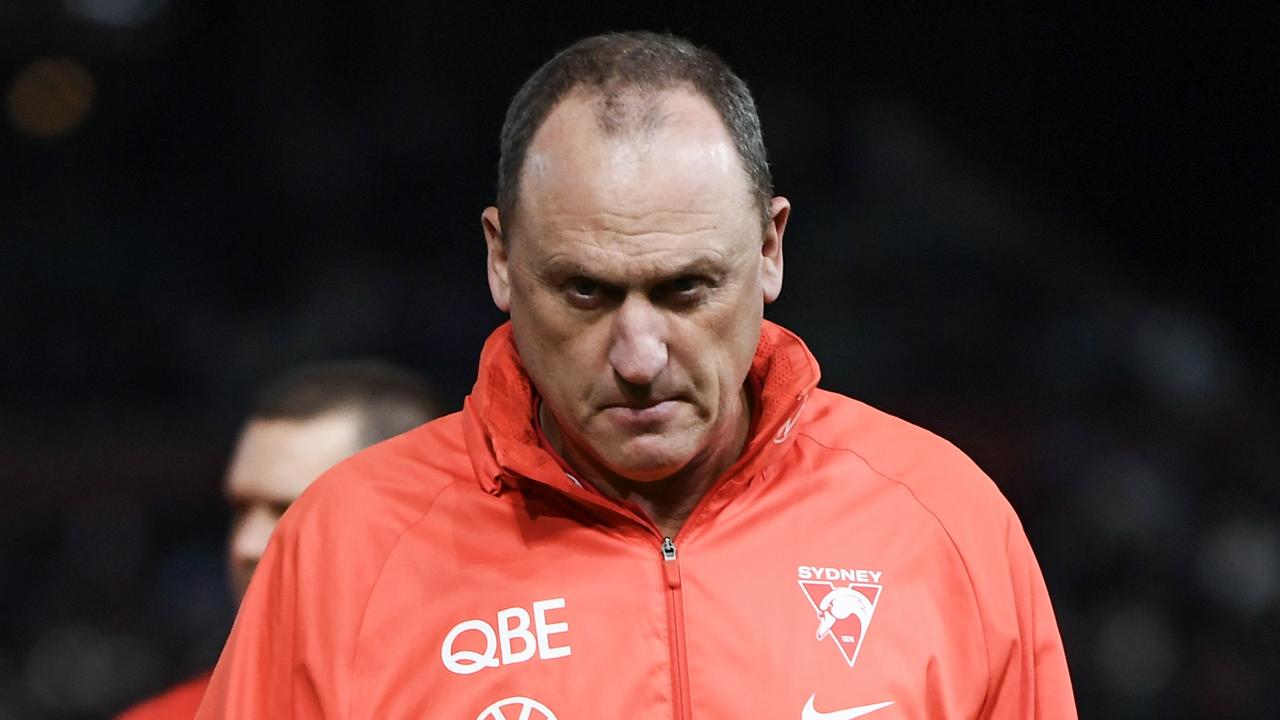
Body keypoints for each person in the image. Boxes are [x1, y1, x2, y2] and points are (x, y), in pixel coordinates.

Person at [197, 32, 1076, 719]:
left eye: (687, 288)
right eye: (585, 291)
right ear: (501, 261)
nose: (640, 356)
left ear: (770, 249)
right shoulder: (344, 549)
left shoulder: (945, 523)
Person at [117, 360, 440, 720]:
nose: (247, 546)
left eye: (294, 510)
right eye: (241, 509)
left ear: (411, 518)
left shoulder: (495, 698)